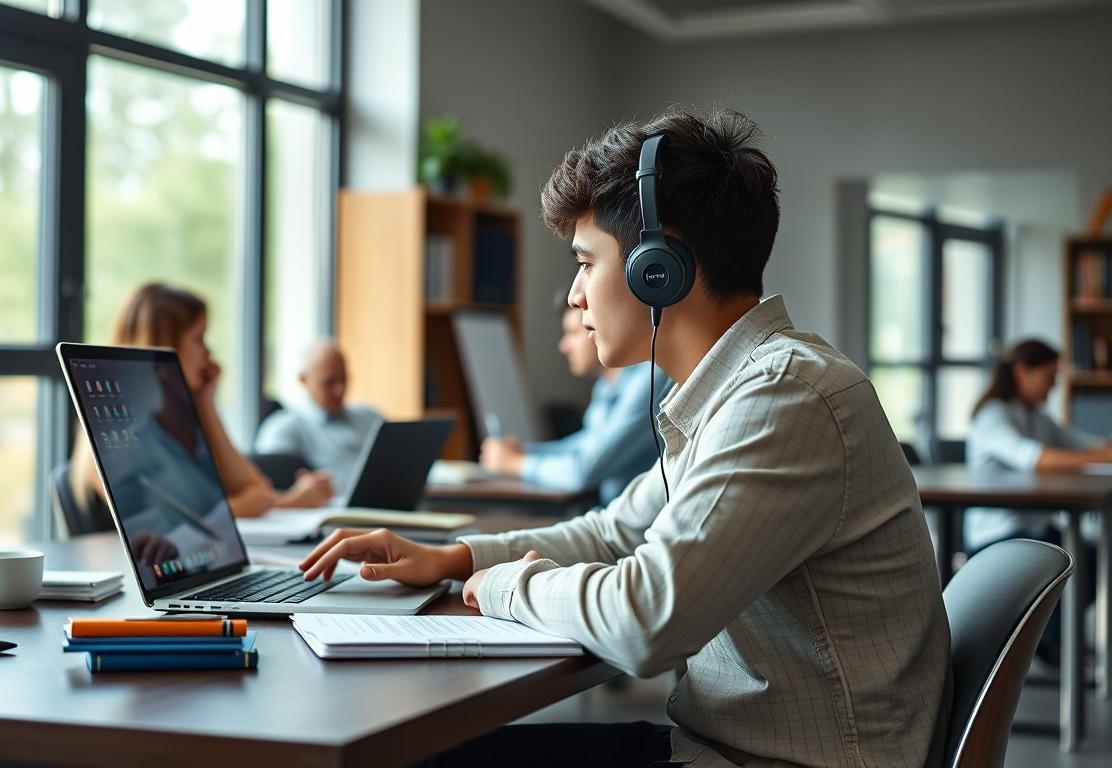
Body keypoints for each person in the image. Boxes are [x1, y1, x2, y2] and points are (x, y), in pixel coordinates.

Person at [298, 108, 948, 768]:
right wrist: (457, 557)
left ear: (657, 266)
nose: (577, 296)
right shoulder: (733, 394)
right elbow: (614, 533)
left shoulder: (785, 398)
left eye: (586, 263)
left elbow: (647, 618)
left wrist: (500, 586)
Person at [69, 283, 335, 524]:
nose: (208, 353)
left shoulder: (179, 427)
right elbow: (167, 526)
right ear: (166, 346)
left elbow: (258, 490)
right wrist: (258, 504)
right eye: (199, 339)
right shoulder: (125, 441)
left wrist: (206, 404)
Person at [964, 338, 1107, 662]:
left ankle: (1049, 639)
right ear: (1021, 371)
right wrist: (1098, 456)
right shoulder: (992, 416)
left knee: (1091, 558)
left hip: (1035, 529)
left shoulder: (1036, 416)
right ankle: (1045, 641)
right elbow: (1035, 459)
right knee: (1070, 561)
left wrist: (1103, 450)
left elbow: (1081, 444)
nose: (1053, 386)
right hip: (998, 536)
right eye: (1049, 376)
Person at [479, 285, 671, 504]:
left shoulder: (650, 380)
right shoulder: (606, 385)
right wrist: (526, 452)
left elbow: (584, 470)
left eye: (572, 333)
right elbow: (584, 445)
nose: (563, 346)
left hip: (635, 530)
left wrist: (515, 463)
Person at [253, 339, 383, 493]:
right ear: (304, 380)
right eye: (329, 382)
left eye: (344, 379)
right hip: (334, 512)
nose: (339, 390)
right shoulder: (284, 428)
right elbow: (265, 483)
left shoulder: (371, 418)